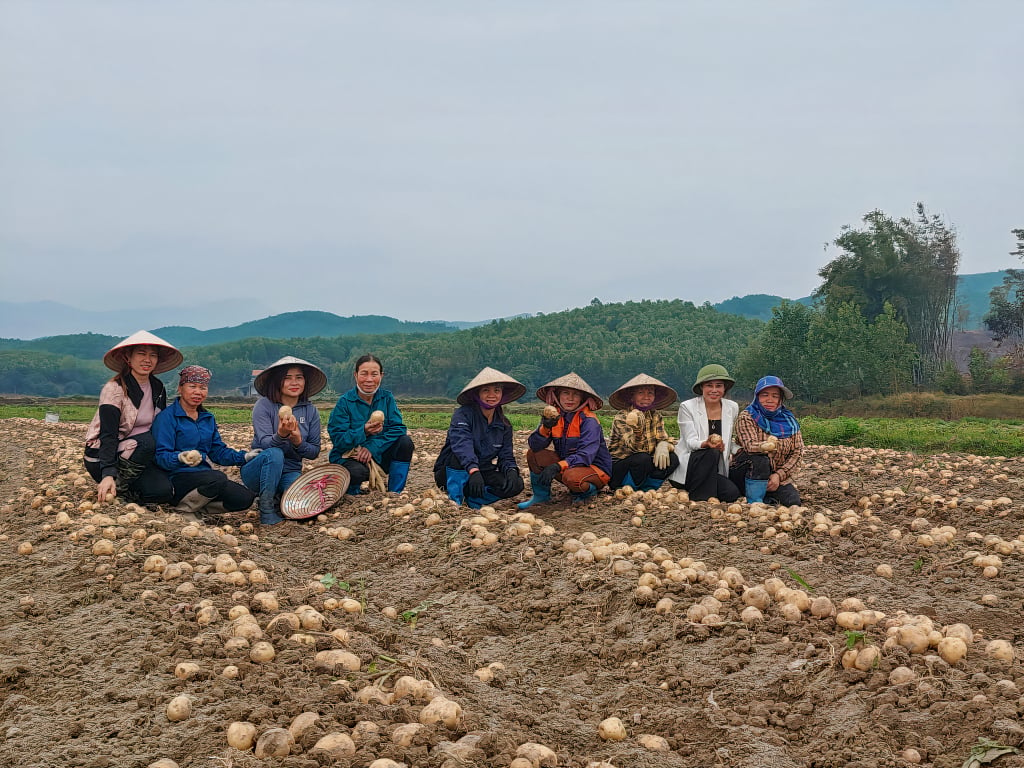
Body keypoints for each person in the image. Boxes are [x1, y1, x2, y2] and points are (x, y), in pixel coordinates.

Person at [83, 331, 182, 505]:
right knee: (147, 441)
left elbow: (159, 426)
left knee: (163, 492)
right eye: (141, 354)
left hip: (140, 455)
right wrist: (107, 472)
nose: (147, 360)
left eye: (153, 355)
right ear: (128, 357)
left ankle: (129, 492)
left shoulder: (158, 387)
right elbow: (108, 434)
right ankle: (116, 485)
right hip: (103, 457)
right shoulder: (114, 389)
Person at [153, 365, 260, 520]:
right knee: (217, 478)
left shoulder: (207, 418)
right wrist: (179, 457)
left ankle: (199, 509)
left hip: (204, 477)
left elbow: (218, 452)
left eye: (202, 387)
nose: (198, 392)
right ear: (180, 389)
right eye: (192, 386)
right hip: (178, 478)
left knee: (244, 498)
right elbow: (161, 457)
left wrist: (244, 457)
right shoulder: (167, 418)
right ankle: (185, 509)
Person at [241, 356, 326, 524]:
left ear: (305, 381)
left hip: (289, 472)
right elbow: (265, 444)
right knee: (275, 454)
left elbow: (314, 451)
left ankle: (277, 496)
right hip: (258, 471)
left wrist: (298, 442)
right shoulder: (264, 406)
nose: (294, 382)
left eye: (299, 377)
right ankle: (266, 509)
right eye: (287, 378)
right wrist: (281, 435)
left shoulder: (310, 411)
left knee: (301, 505)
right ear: (277, 382)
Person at [433, 367, 526, 508]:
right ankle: (454, 503)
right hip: (453, 471)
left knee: (516, 484)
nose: (492, 395)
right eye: (486, 390)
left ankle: (474, 501)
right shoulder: (463, 415)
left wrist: (511, 470)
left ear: (502, 394)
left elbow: (506, 456)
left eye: (496, 390)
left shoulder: (504, 424)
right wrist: (473, 470)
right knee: (457, 456)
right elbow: (461, 445)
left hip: (482, 471)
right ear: (477, 394)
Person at [519, 372, 612, 508]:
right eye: (565, 393)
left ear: (582, 398)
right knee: (534, 455)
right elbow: (535, 445)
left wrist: (558, 466)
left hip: (595, 469)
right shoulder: (554, 416)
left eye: (575, 394)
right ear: (557, 396)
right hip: (568, 464)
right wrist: (545, 428)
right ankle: (541, 496)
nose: (570, 398)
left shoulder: (589, 420)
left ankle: (589, 491)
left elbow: (586, 455)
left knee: (572, 477)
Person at [328, 354, 414, 493]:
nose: (369, 379)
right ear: (355, 375)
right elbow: (338, 439)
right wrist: (364, 431)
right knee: (356, 472)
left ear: (381, 375)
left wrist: (371, 447)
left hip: (378, 454)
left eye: (374, 374)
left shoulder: (387, 398)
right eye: (364, 374)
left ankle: (395, 493)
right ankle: (351, 491)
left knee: (405, 442)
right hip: (350, 457)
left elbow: (398, 428)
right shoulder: (344, 402)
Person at [669, 364, 742, 502]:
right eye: (709, 385)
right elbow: (690, 442)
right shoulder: (687, 407)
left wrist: (737, 449)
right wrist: (706, 443)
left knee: (731, 494)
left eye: (719, 386)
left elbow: (728, 439)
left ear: (724, 388)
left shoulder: (732, 407)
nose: (714, 390)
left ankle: (704, 493)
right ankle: (700, 500)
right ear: (702, 387)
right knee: (711, 452)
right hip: (691, 466)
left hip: (713, 469)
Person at [729, 375, 804, 505]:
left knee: (793, 502)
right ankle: (755, 502)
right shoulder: (748, 416)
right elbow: (750, 446)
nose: (770, 400)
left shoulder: (789, 421)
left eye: (775, 396)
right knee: (761, 458)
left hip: (773, 476)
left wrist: (778, 476)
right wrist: (766, 445)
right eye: (765, 395)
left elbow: (797, 452)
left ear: (780, 399)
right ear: (757, 397)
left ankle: (764, 496)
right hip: (745, 471)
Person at [607, 374, 679, 491]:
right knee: (642, 458)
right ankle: (626, 489)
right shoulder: (622, 417)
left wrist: (664, 445)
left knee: (672, 458)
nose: (646, 396)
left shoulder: (655, 416)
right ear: (632, 397)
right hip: (621, 469)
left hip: (643, 464)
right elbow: (633, 448)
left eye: (650, 393)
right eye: (641, 393)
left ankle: (648, 489)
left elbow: (663, 438)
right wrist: (637, 431)